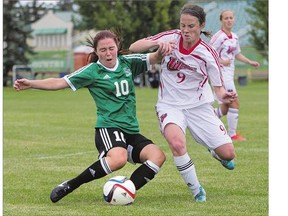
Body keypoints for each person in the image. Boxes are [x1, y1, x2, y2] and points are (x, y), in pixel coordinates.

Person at [14, 30, 166, 203]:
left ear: (117, 47)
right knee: (118, 159)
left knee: (157, 157)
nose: (108, 53)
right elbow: (60, 82)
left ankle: (124, 191)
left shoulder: (128, 63)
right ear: (96, 52)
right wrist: (31, 83)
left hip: (130, 129)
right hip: (108, 127)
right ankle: (71, 184)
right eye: (103, 50)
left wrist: (162, 48)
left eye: (111, 48)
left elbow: (155, 58)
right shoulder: (92, 71)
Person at [129, 4, 237, 202]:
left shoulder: (208, 53)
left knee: (228, 154)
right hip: (169, 105)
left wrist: (225, 96)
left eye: (191, 26)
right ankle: (197, 191)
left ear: (201, 25)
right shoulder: (171, 37)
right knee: (177, 144)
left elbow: (219, 88)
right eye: (183, 26)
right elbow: (134, 47)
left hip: (199, 107)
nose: (185, 31)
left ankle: (214, 150)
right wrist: (158, 47)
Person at [209, 10, 260, 141]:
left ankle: (203, 121)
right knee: (234, 102)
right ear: (221, 20)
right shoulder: (218, 36)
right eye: (226, 18)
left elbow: (237, 54)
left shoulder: (235, 37)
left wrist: (249, 62)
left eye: (231, 18)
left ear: (234, 20)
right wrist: (221, 61)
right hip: (221, 75)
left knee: (225, 108)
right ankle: (232, 135)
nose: (229, 20)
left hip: (229, 75)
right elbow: (208, 54)